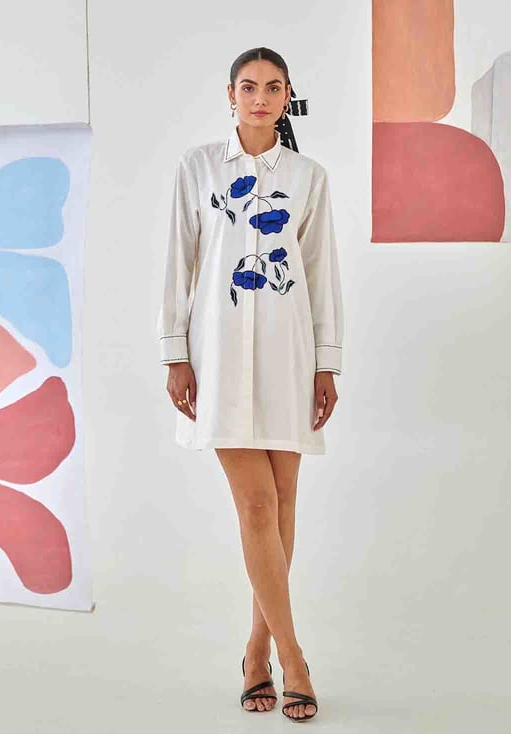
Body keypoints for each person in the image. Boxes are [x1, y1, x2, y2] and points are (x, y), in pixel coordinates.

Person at [157, 47, 344, 722]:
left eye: (272, 87)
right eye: (248, 86)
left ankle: (255, 650)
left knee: (284, 503)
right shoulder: (199, 167)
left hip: (288, 357)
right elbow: (178, 264)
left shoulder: (308, 176)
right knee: (258, 507)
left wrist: (326, 363)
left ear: (288, 96)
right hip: (217, 355)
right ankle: (294, 660)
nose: (259, 97)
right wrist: (175, 354)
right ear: (230, 94)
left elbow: (320, 273)